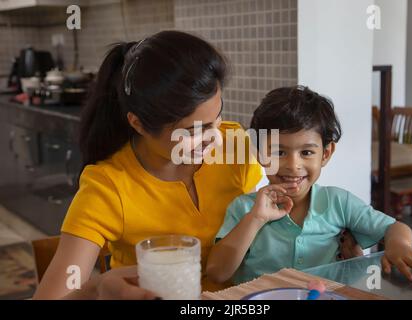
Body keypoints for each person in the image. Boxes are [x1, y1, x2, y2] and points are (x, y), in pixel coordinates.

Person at [33, 30, 263, 299]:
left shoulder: (234, 146)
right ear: (138, 124)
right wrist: (97, 286)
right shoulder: (108, 185)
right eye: (192, 131)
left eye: (217, 116)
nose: (213, 138)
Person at [207, 86, 412, 285]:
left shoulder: (338, 202)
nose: (293, 165)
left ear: (325, 154)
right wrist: (255, 219)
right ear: (259, 153)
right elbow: (217, 272)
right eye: (278, 152)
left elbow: (394, 228)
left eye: (306, 152)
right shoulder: (244, 208)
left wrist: (399, 245)